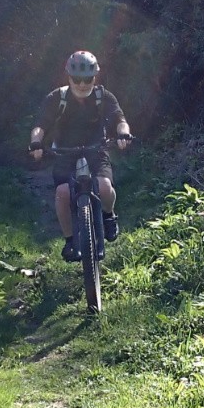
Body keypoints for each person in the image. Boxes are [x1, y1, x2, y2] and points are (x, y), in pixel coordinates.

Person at [28, 50, 133, 261]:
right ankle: (69, 241)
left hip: (96, 149)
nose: (82, 84)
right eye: (77, 79)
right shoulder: (57, 98)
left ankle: (108, 215)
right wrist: (36, 143)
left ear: (95, 77)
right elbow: (40, 125)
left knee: (104, 187)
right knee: (62, 194)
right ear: (69, 77)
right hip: (64, 152)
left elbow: (119, 119)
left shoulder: (103, 96)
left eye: (88, 79)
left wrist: (123, 133)